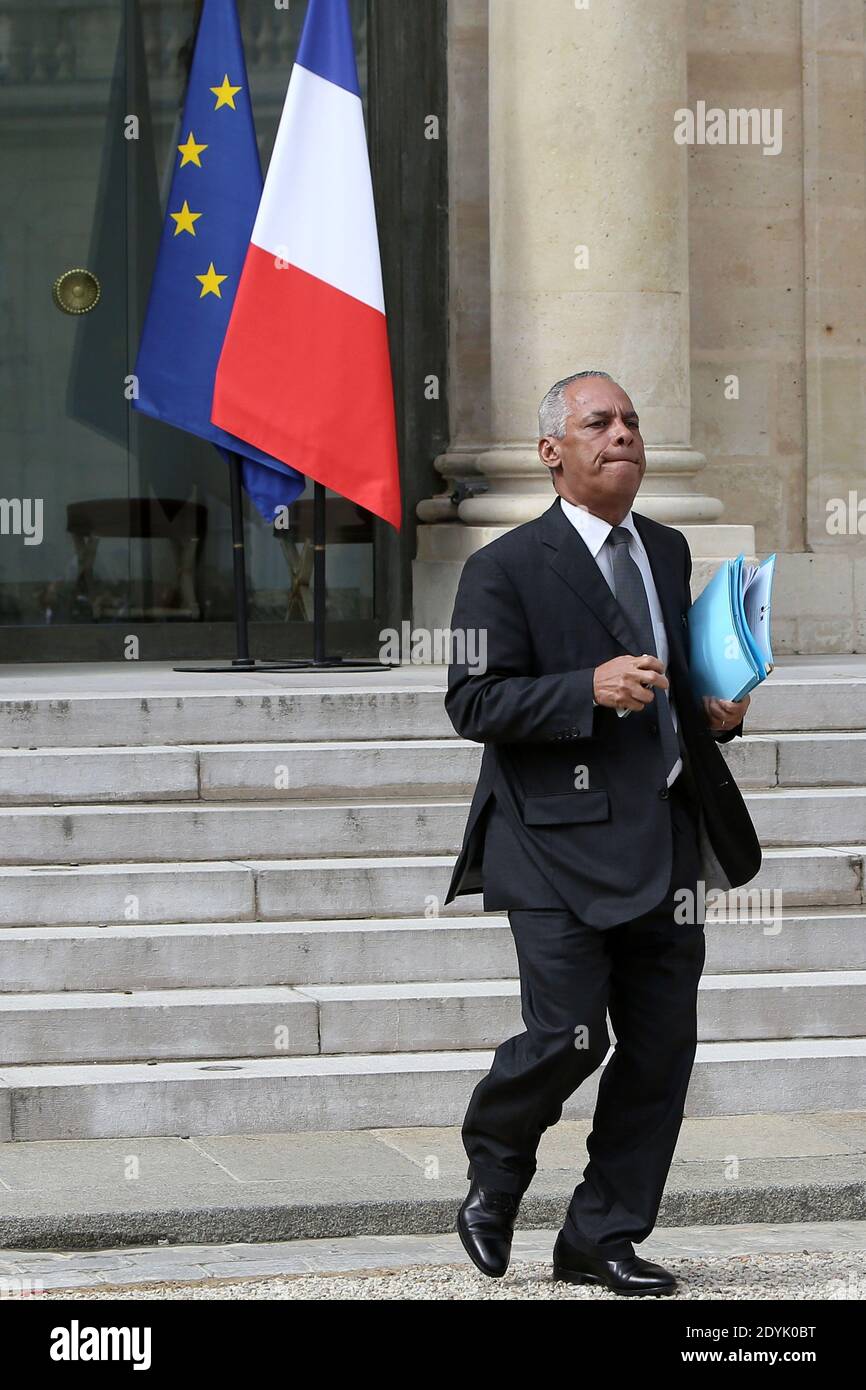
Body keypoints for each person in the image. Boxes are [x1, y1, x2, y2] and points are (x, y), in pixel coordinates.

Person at [444, 370, 761, 1295]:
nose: (621, 432)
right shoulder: (498, 567)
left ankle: (601, 1235)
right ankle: (497, 1162)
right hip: (550, 843)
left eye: (630, 419)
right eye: (598, 421)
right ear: (552, 453)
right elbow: (471, 699)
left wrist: (715, 713)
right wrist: (584, 688)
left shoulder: (665, 549)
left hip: (664, 834)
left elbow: (672, 690)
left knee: (661, 1048)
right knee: (572, 1036)